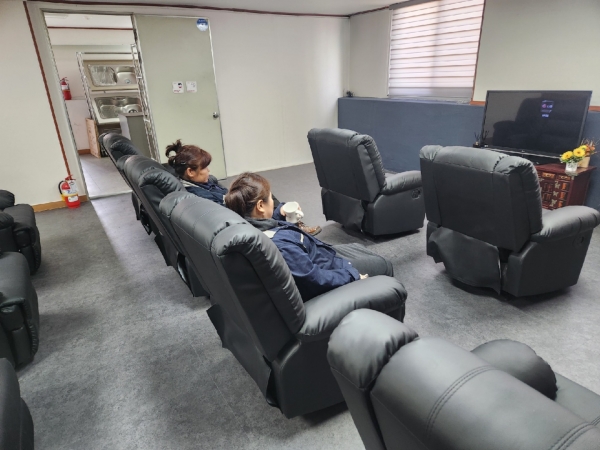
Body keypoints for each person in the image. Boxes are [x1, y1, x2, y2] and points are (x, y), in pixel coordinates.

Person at [224, 172, 394, 301]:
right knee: (383, 265)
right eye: (271, 199)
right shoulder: (282, 246)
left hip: (320, 254)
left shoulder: (250, 226)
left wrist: (279, 211)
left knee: (359, 249)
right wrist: (351, 276)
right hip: (330, 269)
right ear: (261, 206)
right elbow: (313, 278)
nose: (273, 203)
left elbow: (266, 222)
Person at [165, 140, 321, 235]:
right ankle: (290, 223)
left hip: (235, 206)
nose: (208, 170)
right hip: (240, 215)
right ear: (190, 172)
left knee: (260, 189)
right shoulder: (198, 195)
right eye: (204, 167)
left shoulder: (204, 183)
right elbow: (231, 214)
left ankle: (290, 220)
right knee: (262, 195)